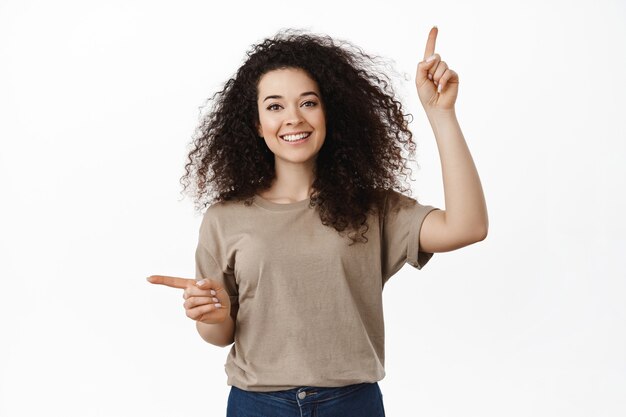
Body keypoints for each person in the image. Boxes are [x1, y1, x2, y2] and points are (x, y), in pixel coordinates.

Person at [147, 26, 488, 417]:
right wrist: (215, 314)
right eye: (274, 106)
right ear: (257, 124)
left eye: (308, 103)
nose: (293, 118)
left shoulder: (371, 208)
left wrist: (441, 115)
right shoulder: (225, 218)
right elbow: (218, 336)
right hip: (257, 405)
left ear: (329, 113)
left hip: (351, 403)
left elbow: (468, 227)